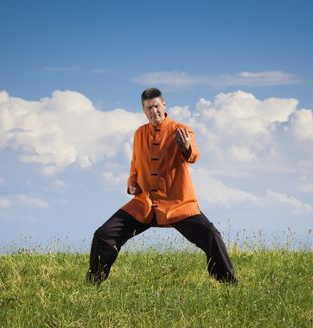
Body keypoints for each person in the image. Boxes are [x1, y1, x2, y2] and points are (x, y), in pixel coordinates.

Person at [86, 88, 237, 284]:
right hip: (144, 204)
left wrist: (185, 148)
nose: (153, 111)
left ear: (164, 105)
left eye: (156, 106)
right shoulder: (139, 134)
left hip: (177, 204)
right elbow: (135, 164)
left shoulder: (180, 129)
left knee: (210, 235)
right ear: (143, 110)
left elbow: (193, 155)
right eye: (149, 108)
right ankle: (93, 282)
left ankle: (228, 284)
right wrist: (132, 183)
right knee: (103, 235)